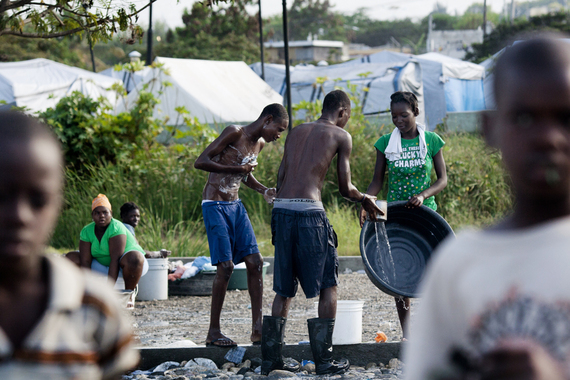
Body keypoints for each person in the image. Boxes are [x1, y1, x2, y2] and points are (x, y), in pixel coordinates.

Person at [404, 35, 570, 380]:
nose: (548, 137)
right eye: (524, 118)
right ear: (489, 129)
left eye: (565, 117)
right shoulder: (458, 266)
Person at [0, 111, 138, 379]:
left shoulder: (96, 305)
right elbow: (84, 261)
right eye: (1, 197)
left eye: (38, 200)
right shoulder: (88, 233)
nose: (19, 215)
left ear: (56, 206)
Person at [262, 90, 381, 375]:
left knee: (283, 288)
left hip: (281, 211)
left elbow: (281, 176)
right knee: (329, 284)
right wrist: (365, 198)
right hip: (309, 215)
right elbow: (345, 188)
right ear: (342, 112)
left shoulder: (297, 130)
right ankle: (325, 363)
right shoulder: (341, 136)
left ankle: (270, 362)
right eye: (347, 118)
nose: (346, 123)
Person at [194, 103, 289, 347]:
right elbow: (201, 161)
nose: (278, 136)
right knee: (225, 266)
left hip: (235, 205)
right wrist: (237, 168)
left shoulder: (260, 144)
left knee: (255, 263)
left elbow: (244, 175)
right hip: (214, 203)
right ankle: (213, 332)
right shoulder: (235, 133)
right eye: (279, 129)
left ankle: (258, 330)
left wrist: (263, 189)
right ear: (267, 120)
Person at [359, 91, 447, 341]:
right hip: (394, 211)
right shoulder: (386, 143)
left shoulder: (431, 140)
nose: (398, 120)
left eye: (404, 115)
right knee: (399, 274)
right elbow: (377, 181)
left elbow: (442, 179)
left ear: (415, 112)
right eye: (394, 115)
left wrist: (423, 194)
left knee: (433, 270)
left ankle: (435, 330)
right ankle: (408, 334)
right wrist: (367, 202)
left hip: (425, 212)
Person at [67, 194, 149, 309]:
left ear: (111, 214)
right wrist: (88, 291)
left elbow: (114, 260)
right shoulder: (87, 231)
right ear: (92, 215)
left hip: (128, 265)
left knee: (134, 258)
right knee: (71, 258)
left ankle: (129, 294)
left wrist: (107, 293)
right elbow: (85, 262)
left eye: (105, 212)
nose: (102, 216)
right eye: (97, 213)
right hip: (103, 265)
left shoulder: (116, 228)